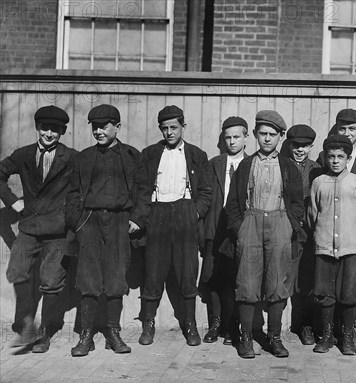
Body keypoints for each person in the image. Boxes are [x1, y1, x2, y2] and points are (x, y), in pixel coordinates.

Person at [66, 104, 145, 357]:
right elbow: (72, 194)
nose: (98, 131)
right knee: (88, 279)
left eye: (104, 126)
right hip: (89, 222)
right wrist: (77, 223)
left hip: (120, 222)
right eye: (94, 127)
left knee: (115, 279)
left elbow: (144, 192)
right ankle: (86, 335)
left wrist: (137, 219)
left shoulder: (132, 156)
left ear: (117, 127)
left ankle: (113, 332)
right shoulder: (83, 158)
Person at [224, 110, 305, 359]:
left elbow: (297, 203)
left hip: (280, 223)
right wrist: (241, 229)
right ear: (256, 135)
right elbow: (234, 203)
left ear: (281, 137)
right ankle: (246, 338)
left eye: (272, 134)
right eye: (262, 134)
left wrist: (290, 225)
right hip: (251, 223)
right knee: (247, 283)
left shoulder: (289, 166)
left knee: (277, 283)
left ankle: (274, 338)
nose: (267, 139)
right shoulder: (246, 165)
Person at [0, 105, 77, 352]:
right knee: (18, 272)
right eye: (45, 128)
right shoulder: (23, 155)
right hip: (29, 227)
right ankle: (25, 325)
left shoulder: (73, 158)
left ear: (62, 131)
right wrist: (13, 201)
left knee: (52, 281)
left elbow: (83, 190)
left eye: (55, 130)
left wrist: (69, 216)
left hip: (57, 231)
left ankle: (44, 332)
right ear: (37, 128)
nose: (49, 134)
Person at [135, 105, 211, 346]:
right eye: (165, 128)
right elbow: (141, 189)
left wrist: (194, 212)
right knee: (153, 273)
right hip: (157, 214)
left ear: (183, 127)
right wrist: (143, 217)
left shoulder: (197, 155)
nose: (169, 132)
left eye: (174, 127)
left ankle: (190, 325)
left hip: (185, 214)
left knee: (187, 274)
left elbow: (206, 192)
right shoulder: (149, 154)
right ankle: (148, 325)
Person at [309, 134, 356, 355]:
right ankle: (326, 335)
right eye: (331, 156)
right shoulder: (318, 182)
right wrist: (321, 235)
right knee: (324, 293)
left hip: (350, 248)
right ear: (326, 158)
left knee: (350, 293)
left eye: (340, 156)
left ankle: (347, 337)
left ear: (348, 158)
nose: (335, 161)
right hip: (325, 247)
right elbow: (313, 214)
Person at [199, 116, 248, 345]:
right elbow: (206, 198)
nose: (232, 142)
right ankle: (216, 323)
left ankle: (232, 327)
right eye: (227, 137)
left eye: (236, 137)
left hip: (240, 230)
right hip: (216, 230)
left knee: (236, 279)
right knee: (214, 278)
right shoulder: (214, 164)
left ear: (246, 137)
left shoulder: (252, 164)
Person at [285, 124, 322, 345]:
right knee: (285, 275)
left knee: (307, 278)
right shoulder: (282, 165)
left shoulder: (317, 169)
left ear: (311, 147)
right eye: (296, 145)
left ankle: (306, 325)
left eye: (305, 146)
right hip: (285, 228)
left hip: (309, 232)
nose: (300, 150)